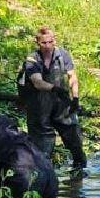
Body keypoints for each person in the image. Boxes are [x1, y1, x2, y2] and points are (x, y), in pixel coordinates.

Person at [19, 26, 87, 170]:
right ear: (37, 42)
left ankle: (79, 175)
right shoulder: (32, 59)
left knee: (74, 140)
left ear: (54, 40)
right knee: (42, 147)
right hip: (39, 107)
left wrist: (75, 97)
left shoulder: (63, 55)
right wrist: (54, 89)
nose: (48, 46)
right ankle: (42, 178)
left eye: (50, 42)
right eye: (44, 43)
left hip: (61, 105)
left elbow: (72, 76)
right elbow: (37, 82)